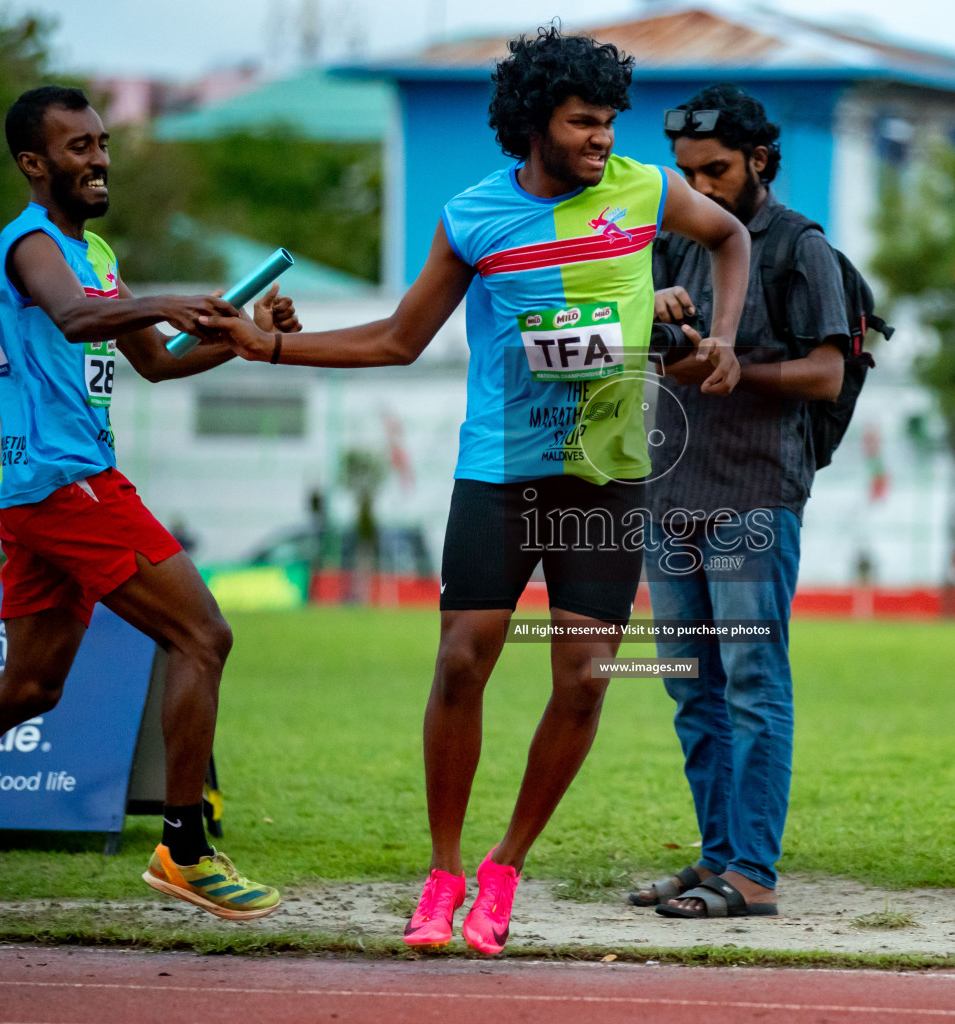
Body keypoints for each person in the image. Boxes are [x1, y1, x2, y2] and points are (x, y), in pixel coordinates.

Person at [202, 28, 750, 955]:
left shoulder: (647, 190)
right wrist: (275, 347)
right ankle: (443, 871)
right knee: (463, 661)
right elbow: (396, 338)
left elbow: (729, 236)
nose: (602, 139)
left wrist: (726, 336)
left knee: (583, 682)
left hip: (607, 476)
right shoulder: (474, 218)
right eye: (583, 121)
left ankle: (504, 870)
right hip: (500, 469)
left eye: (610, 121)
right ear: (536, 122)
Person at [0, 86, 299, 920]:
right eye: (77, 147)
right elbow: (72, 317)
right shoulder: (30, 242)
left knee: (31, 686)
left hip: (44, 495)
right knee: (203, 635)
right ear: (35, 164)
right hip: (70, 486)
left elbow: (158, 362)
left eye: (101, 142)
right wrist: (166, 301)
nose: (98, 158)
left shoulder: (97, 253)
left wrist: (247, 336)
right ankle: (184, 849)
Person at [630, 85, 849, 920]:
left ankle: (752, 871)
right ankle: (717, 854)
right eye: (686, 174)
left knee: (753, 679)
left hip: (757, 491)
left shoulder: (801, 247)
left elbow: (827, 372)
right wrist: (649, 314)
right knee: (692, 684)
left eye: (715, 170)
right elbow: (624, 335)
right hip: (669, 488)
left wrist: (734, 369)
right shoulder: (672, 242)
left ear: (760, 159)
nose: (700, 188)